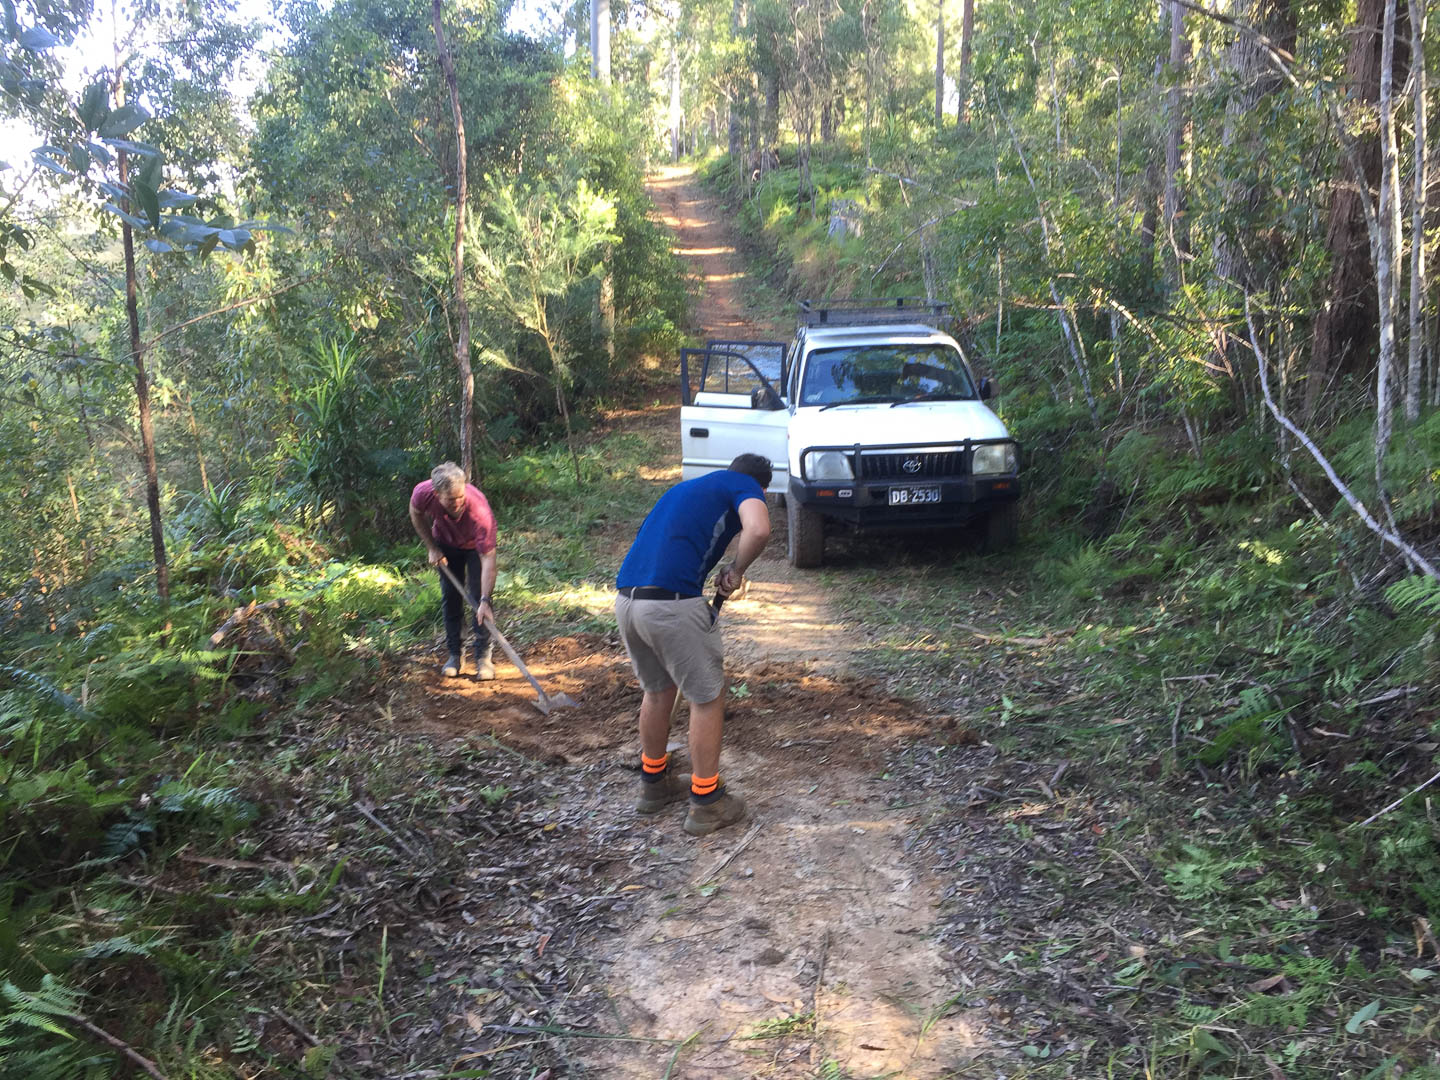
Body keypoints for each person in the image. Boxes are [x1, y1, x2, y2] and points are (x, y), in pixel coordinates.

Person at [614, 453, 773, 836]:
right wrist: (736, 570)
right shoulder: (744, 484)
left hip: (628, 600)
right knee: (707, 698)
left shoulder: (683, 490)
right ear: (760, 485)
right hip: (671, 605)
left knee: (658, 690)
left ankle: (654, 785)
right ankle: (707, 802)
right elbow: (759, 530)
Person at [410, 462, 497, 679]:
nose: (457, 503)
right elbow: (415, 512)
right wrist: (431, 547)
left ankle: (483, 657)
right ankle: (455, 655)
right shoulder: (423, 493)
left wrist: (486, 600)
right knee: (451, 598)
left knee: (478, 600)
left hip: (474, 549)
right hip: (445, 543)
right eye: (450, 499)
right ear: (436, 494)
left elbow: (488, 559)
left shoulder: (480, 510)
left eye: (461, 497)